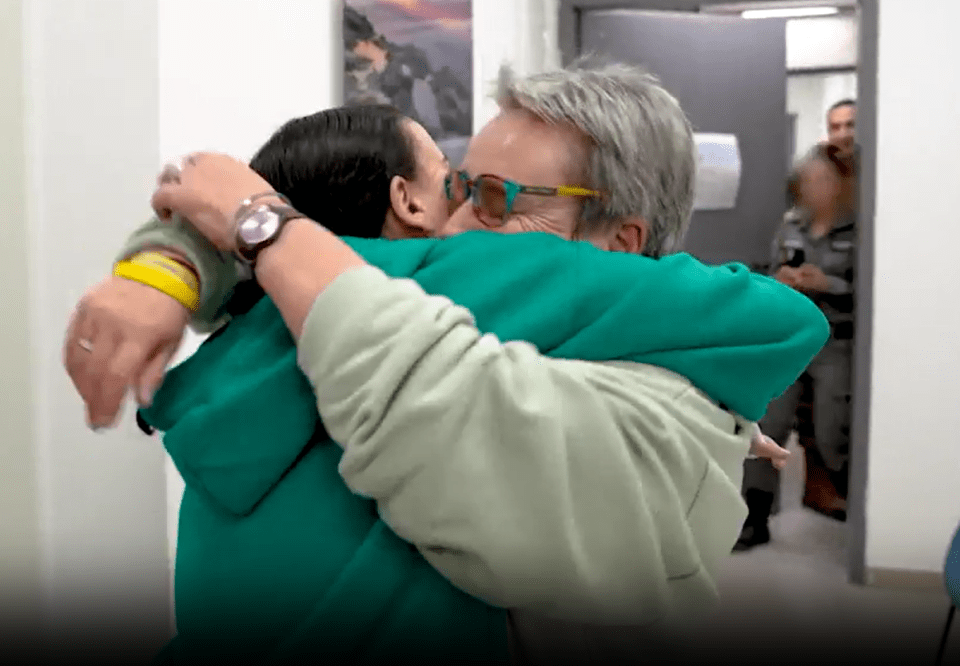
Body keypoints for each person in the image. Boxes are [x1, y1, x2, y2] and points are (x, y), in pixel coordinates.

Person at [65, 62, 821, 664]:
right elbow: (439, 395)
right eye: (456, 187)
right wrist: (233, 236)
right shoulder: (391, 328)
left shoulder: (292, 334)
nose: (454, 225)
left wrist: (185, 258)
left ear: (622, 242)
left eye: (493, 198)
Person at [734, 145, 856, 550]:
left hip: (836, 342)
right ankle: (755, 515)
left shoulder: (859, 230)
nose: (815, 188)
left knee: (830, 431)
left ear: (840, 185)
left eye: (824, 180)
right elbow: (770, 273)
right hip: (789, 341)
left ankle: (841, 494)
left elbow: (871, 291)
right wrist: (779, 280)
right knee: (768, 426)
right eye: (809, 180)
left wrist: (830, 284)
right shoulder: (790, 224)